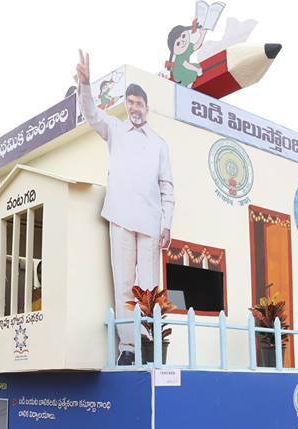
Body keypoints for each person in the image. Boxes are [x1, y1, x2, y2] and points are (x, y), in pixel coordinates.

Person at [76, 50, 175, 366]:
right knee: (123, 284)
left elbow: (166, 186)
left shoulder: (159, 143)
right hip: (119, 215)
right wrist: (85, 84)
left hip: (150, 221)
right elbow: (92, 114)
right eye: (130, 103)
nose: (134, 108)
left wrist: (167, 223)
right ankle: (128, 347)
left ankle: (148, 343)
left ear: (147, 109)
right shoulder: (115, 130)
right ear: (126, 105)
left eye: (139, 104)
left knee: (147, 287)